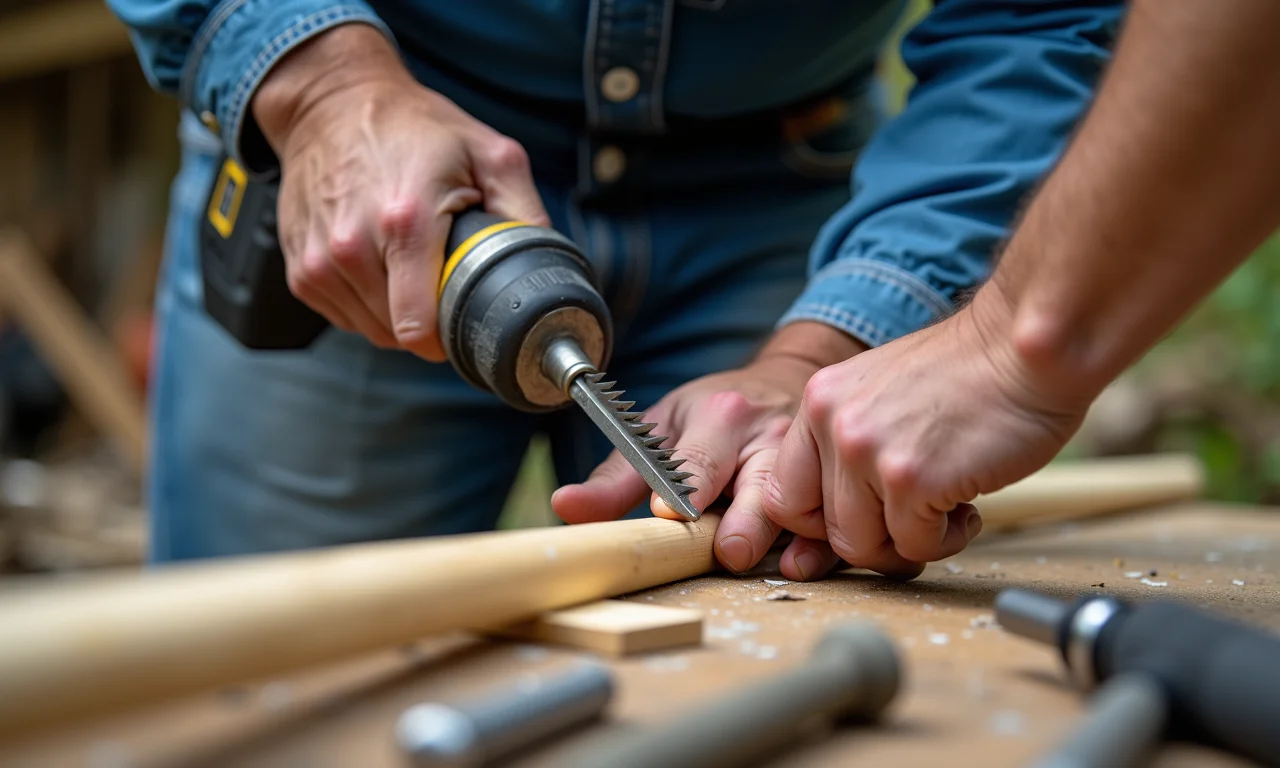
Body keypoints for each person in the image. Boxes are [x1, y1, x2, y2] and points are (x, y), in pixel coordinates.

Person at [107, 1, 1124, 575]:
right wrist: (313, 77)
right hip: (373, 162)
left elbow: (1043, 19)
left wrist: (832, 341)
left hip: (783, 167)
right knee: (274, 685)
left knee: (765, 625)